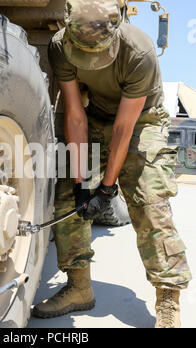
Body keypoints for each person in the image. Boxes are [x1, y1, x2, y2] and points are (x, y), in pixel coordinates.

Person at [32, 0, 192, 328]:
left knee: (149, 198)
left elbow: (124, 128)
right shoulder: (60, 47)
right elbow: (75, 115)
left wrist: (106, 188)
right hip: (94, 115)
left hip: (142, 120)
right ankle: (79, 287)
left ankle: (167, 296)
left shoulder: (139, 51)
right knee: (67, 199)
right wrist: (81, 185)